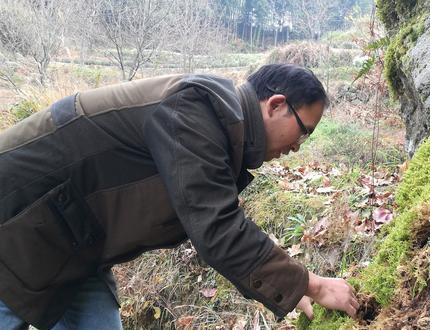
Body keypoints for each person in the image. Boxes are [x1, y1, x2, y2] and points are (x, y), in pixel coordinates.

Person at [0, 63, 359, 329]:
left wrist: (292, 288)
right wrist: (308, 284)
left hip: (75, 245)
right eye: (303, 132)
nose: (298, 147)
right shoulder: (193, 111)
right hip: (19, 229)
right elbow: (217, 229)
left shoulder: (217, 131)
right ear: (276, 104)